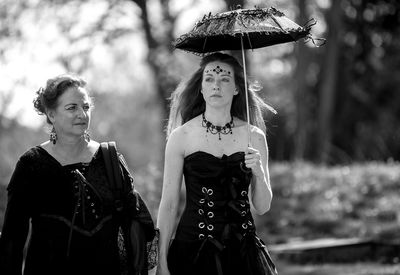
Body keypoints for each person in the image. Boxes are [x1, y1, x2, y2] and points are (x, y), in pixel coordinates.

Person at [0, 74, 155, 275]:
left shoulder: (109, 158)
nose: (82, 114)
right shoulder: (31, 164)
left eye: (86, 107)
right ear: (51, 114)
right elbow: (13, 238)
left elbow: (138, 223)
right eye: (72, 107)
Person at [156, 52, 278, 275]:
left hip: (244, 254)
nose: (216, 86)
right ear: (201, 88)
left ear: (236, 88)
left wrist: (258, 172)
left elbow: (262, 206)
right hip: (194, 249)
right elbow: (169, 204)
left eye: (224, 80)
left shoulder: (254, 136)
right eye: (209, 79)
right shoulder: (181, 136)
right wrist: (161, 261)